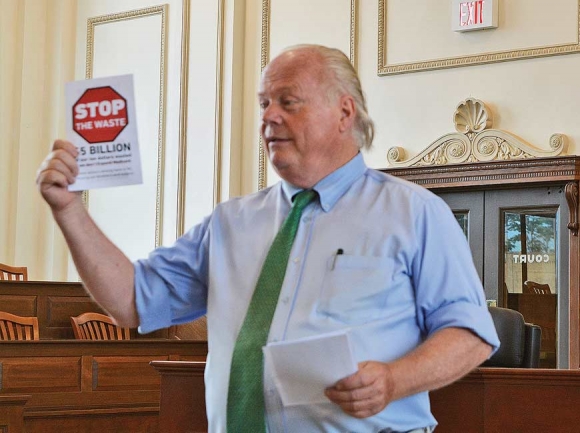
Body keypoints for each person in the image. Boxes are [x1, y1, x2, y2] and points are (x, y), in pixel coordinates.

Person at [37, 44, 499, 433]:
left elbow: (470, 334)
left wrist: (394, 381)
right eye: (263, 103)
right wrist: (69, 209)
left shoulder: (414, 213)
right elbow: (133, 301)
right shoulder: (230, 223)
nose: (269, 117)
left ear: (344, 112)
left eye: (288, 101)